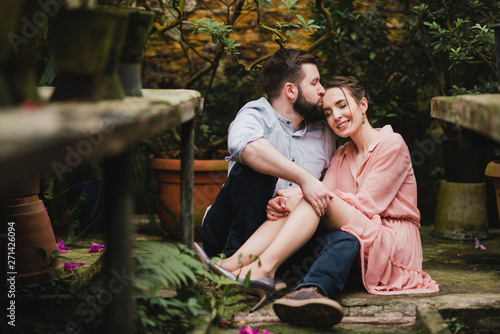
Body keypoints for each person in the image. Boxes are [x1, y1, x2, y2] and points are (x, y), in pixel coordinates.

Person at [215, 76, 440, 328]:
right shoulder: (342, 154)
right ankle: (232, 264)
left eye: (342, 106)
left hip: (391, 242)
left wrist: (300, 194)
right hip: (357, 237)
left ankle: (263, 269)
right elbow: (322, 200)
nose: (337, 116)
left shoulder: (391, 144)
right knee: (314, 202)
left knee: (312, 196)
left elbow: (366, 205)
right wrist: (285, 202)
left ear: (363, 105)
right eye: (328, 112)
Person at [201, 48, 339, 258]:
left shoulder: (323, 132)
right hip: (227, 231)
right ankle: (233, 264)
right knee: (253, 167)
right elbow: (244, 145)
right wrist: (304, 180)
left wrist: (294, 197)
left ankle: (269, 272)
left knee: (343, 242)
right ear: (291, 91)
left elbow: (328, 186)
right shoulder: (255, 114)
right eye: (315, 83)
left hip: (286, 235)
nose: (322, 90)